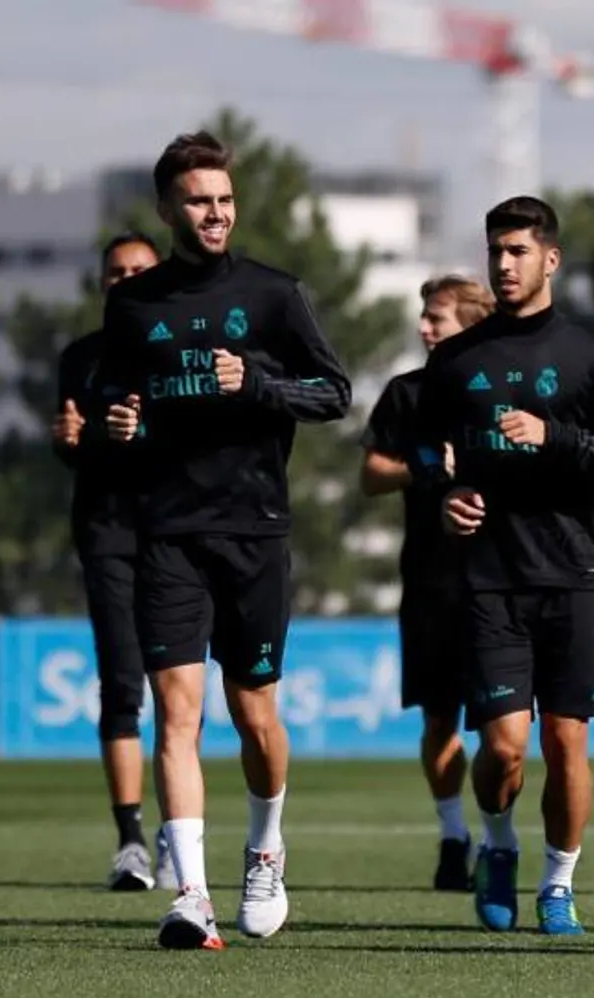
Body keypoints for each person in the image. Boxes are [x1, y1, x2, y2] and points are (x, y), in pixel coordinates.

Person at [102, 130, 352, 950]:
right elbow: (122, 394)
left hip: (254, 530)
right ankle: (193, 900)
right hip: (168, 531)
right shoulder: (136, 303)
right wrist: (122, 418)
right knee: (178, 715)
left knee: (254, 716)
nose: (215, 213)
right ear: (169, 207)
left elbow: (334, 393)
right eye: (199, 201)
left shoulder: (274, 295)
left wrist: (261, 382)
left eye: (224, 200)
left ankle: (266, 849)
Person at [413, 195, 594, 937]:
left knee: (566, 741)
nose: (504, 265)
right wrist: (447, 495)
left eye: (518, 252)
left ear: (550, 259)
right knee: (504, 746)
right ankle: (499, 843)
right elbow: (423, 451)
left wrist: (556, 436)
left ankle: (559, 883)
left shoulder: (591, 357)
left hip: (572, 577)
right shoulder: (454, 362)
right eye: (495, 252)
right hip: (489, 581)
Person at [359, 274, 494, 891]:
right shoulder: (406, 395)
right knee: (440, 721)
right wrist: (424, 466)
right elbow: (371, 474)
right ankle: (452, 835)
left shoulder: (502, 391)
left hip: (500, 581)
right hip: (430, 584)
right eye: (423, 316)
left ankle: (498, 840)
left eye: (436, 317)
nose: (423, 327)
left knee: (502, 726)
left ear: (469, 325)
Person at [51, 230, 172, 893]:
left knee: (178, 692)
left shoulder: (179, 349)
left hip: (178, 530)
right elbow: (76, 440)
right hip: (107, 532)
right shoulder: (81, 358)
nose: (126, 279)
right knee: (123, 683)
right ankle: (130, 841)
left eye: (139, 270)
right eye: (116, 272)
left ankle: (179, 832)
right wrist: (69, 441)